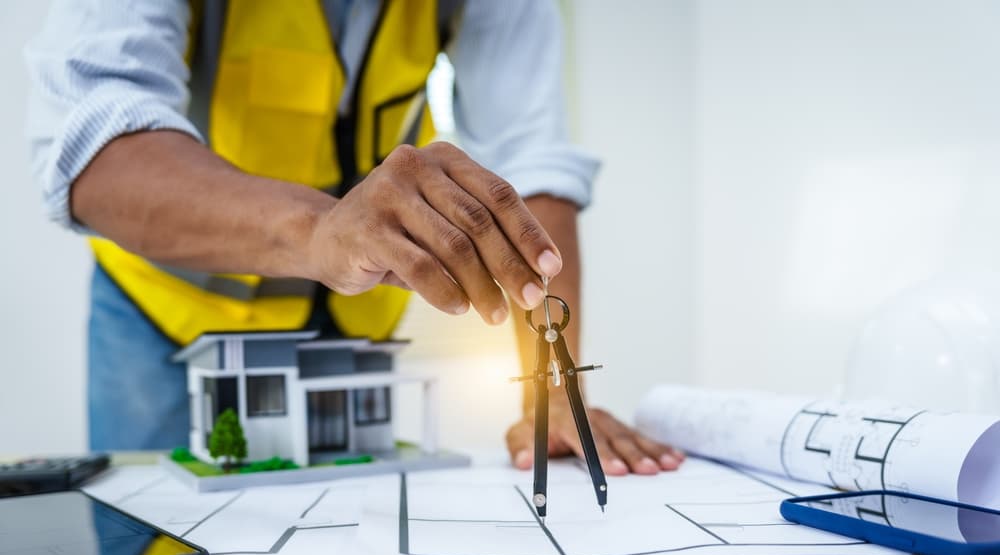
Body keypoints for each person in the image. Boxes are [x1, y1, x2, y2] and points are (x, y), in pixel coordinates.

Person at [26, 0, 684, 476]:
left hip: (353, 332)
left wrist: (552, 393)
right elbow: (89, 146)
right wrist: (320, 231)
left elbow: (532, 158)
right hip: (167, 328)